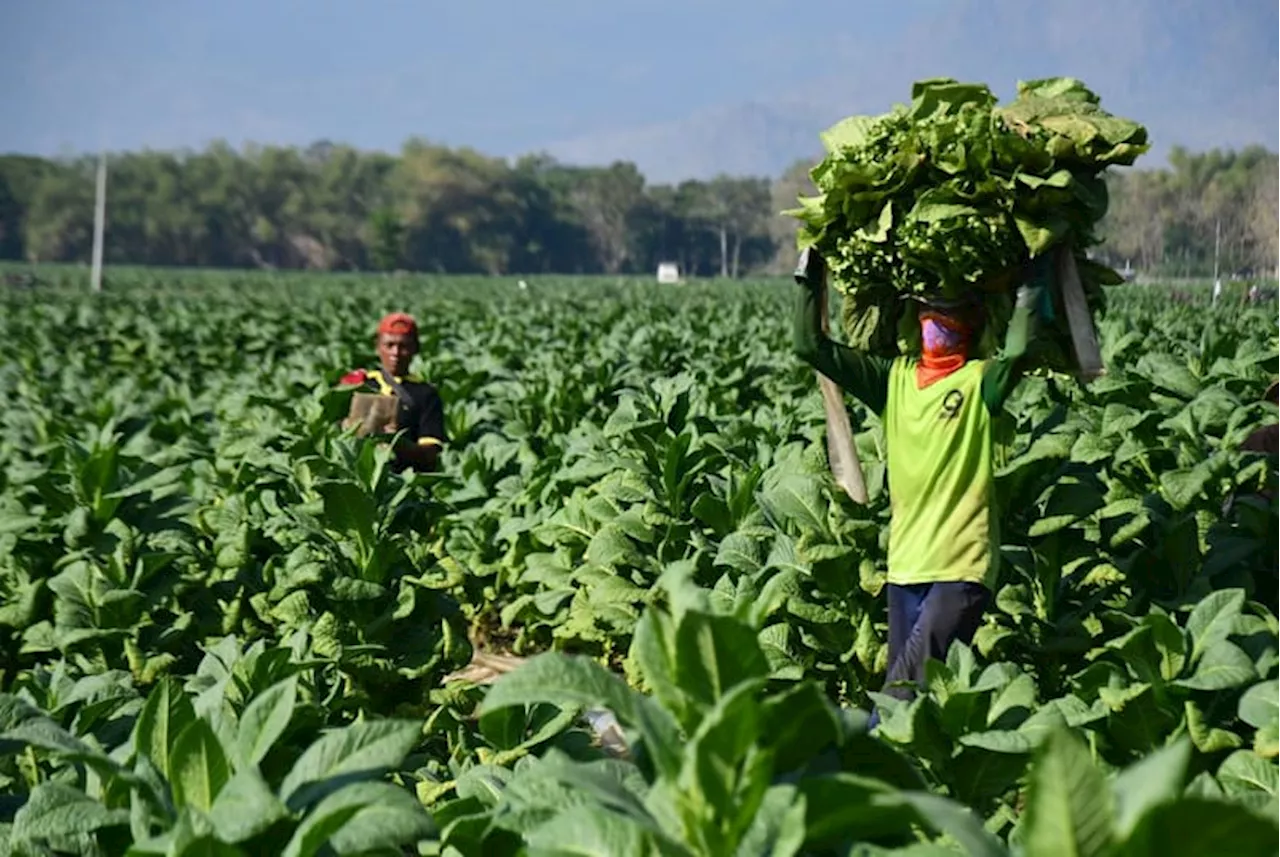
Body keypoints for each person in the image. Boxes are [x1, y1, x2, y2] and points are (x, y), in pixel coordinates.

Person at [793, 249, 1053, 719]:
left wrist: (1034, 277)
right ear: (915, 319)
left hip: (961, 568)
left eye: (952, 315)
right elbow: (812, 347)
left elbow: (1017, 350)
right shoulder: (892, 381)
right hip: (905, 568)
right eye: (931, 312)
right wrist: (810, 275)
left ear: (973, 324)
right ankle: (920, 785)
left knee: (897, 699)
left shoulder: (981, 383)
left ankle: (855, 781)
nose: (939, 322)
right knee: (914, 707)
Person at [340, 312, 447, 473]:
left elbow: (430, 455)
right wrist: (345, 426)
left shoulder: (426, 394)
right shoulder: (358, 384)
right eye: (389, 345)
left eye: (403, 346)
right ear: (378, 346)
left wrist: (398, 443)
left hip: (402, 482)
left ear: (415, 348)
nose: (395, 353)